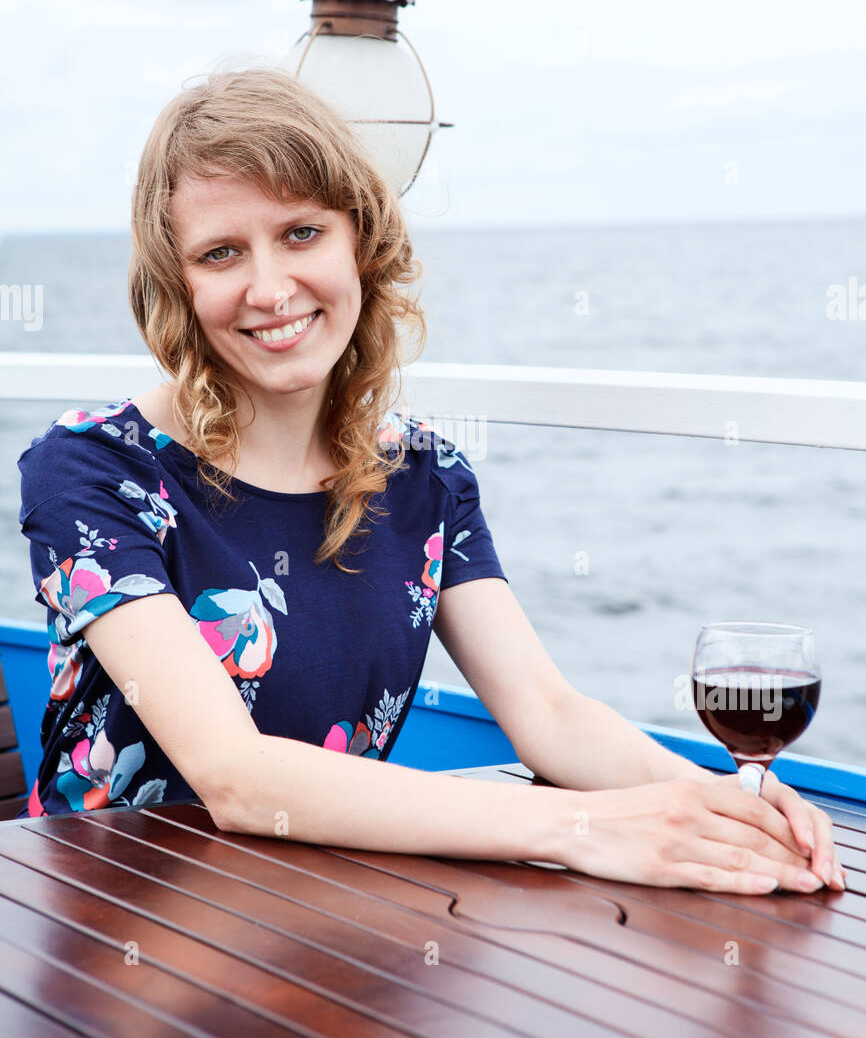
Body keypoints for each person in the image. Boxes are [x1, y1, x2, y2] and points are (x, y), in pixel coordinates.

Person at [16, 64, 845, 897]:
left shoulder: (423, 475)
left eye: (302, 233)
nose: (270, 289)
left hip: (332, 909)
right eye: (221, 252)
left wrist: (722, 802)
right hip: (124, 930)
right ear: (179, 286)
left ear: (361, 243)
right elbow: (237, 777)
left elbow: (549, 716)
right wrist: (585, 831)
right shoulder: (94, 472)